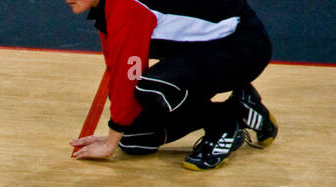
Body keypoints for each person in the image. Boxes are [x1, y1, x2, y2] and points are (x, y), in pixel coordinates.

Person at [66, 0, 277, 170]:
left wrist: (110, 142)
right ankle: (240, 105)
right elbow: (116, 69)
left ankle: (224, 121)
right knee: (134, 138)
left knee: (153, 89)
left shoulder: (126, 6)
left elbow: (127, 76)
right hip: (203, 50)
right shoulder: (108, 9)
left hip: (242, 47)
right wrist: (117, 132)